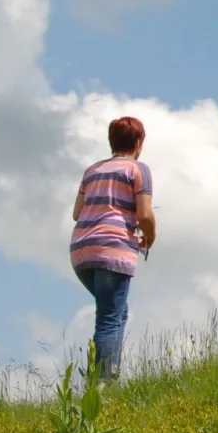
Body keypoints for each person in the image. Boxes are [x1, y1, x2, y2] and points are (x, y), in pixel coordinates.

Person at [69, 116, 155, 379]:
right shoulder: (138, 170)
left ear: (111, 141)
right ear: (139, 143)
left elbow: (76, 213)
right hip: (112, 248)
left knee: (118, 311)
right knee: (108, 319)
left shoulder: (92, 170)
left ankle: (109, 375)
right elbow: (145, 215)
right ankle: (102, 384)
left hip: (81, 250)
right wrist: (150, 236)